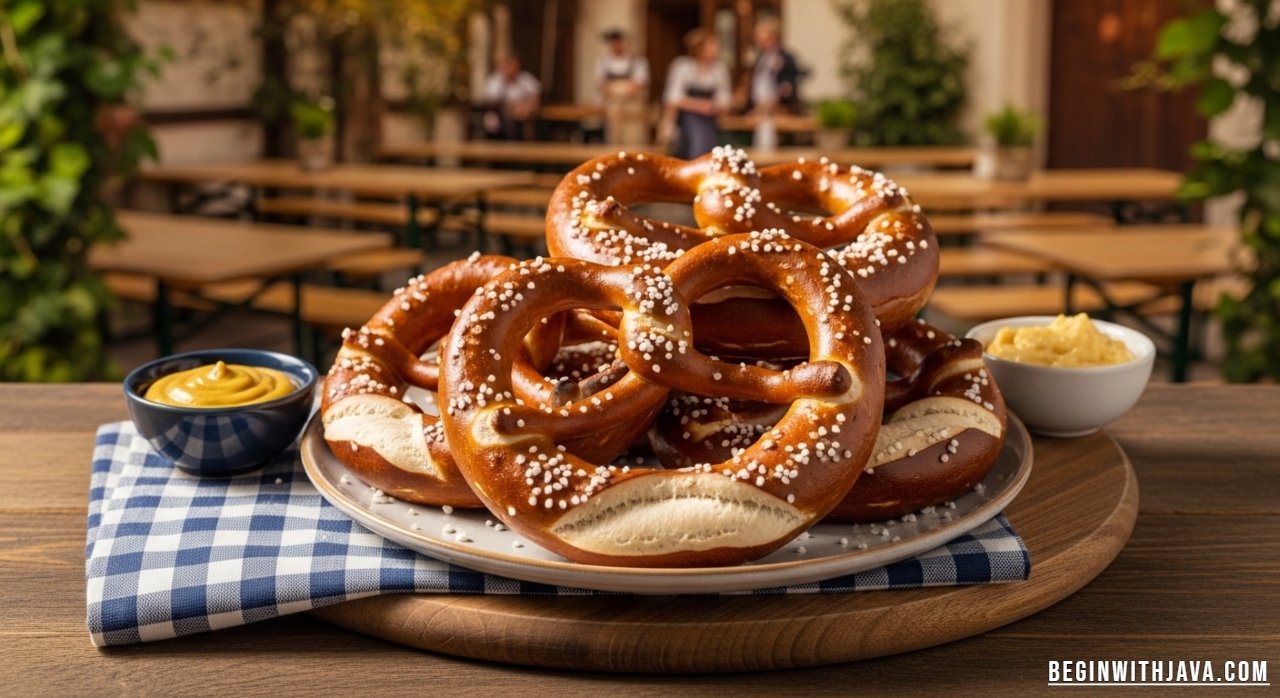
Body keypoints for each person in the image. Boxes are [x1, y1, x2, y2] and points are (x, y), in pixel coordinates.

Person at [661, 28, 731, 159]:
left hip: (710, 121)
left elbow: (724, 98)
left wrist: (715, 106)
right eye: (712, 44)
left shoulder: (719, 69)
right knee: (694, 146)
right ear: (700, 48)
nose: (716, 48)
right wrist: (698, 105)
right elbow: (673, 97)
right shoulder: (683, 66)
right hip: (686, 120)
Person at [595, 29, 651, 145]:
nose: (616, 45)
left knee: (634, 138)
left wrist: (617, 90)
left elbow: (639, 84)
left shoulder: (637, 61)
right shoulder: (604, 62)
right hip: (614, 106)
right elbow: (602, 85)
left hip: (633, 105)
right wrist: (621, 89)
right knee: (614, 137)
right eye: (613, 43)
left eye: (618, 42)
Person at [742, 15, 803, 114]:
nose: (756, 36)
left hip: (779, 112)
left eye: (761, 32)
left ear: (772, 35)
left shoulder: (786, 58)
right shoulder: (760, 58)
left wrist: (775, 103)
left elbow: (788, 87)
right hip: (759, 111)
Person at [481, 56, 541, 140]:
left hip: (524, 114)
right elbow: (492, 102)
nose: (511, 70)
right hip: (500, 114)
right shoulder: (495, 81)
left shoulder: (526, 79)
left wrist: (525, 107)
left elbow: (535, 98)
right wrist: (512, 108)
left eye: (513, 67)